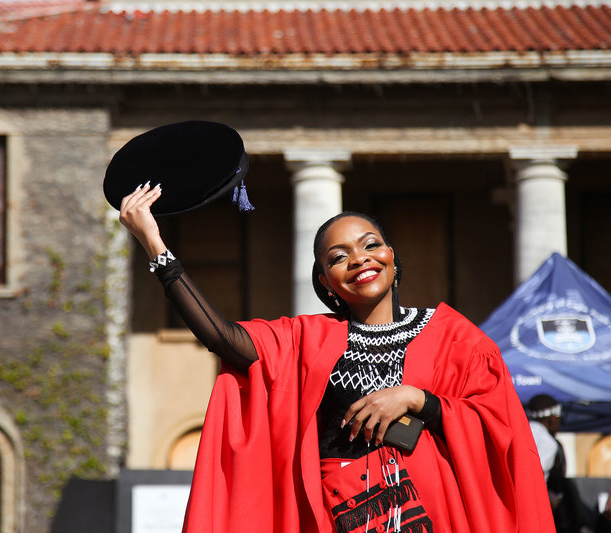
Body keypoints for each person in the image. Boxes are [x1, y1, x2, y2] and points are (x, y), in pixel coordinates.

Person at [119, 182, 555, 533]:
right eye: (338, 257)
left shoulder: (455, 338)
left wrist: (418, 399)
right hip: (340, 514)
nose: (359, 259)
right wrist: (154, 243)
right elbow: (221, 336)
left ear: (392, 260)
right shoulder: (306, 339)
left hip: (433, 515)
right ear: (327, 283)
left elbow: (501, 430)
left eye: (371, 245)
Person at [527, 394, 593, 533]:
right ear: (551, 419)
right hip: (533, 507)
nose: (559, 424)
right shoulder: (548, 443)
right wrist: (551, 499)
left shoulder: (520, 432)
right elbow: (531, 476)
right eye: (558, 419)